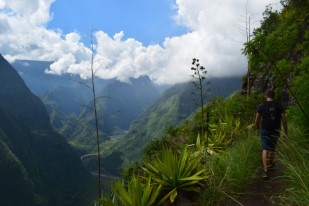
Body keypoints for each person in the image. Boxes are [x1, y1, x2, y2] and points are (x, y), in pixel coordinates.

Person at [255, 90, 288, 179]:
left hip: (264, 130)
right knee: (272, 149)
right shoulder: (278, 105)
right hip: (275, 130)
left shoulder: (261, 106)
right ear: (274, 96)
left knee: (265, 149)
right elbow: (284, 120)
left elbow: (257, 120)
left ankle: (265, 171)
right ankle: (269, 164)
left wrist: (258, 128)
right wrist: (286, 132)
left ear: (267, 96)